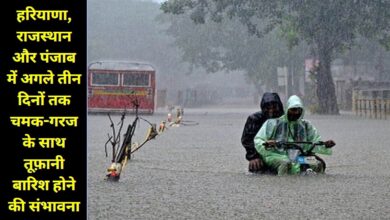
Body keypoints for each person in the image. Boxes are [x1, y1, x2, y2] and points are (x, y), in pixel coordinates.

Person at [254, 95, 336, 175]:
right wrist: (266, 144)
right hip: (277, 155)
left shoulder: (306, 125)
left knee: (318, 164)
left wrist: (325, 145)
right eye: (293, 110)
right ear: (287, 109)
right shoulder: (272, 123)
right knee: (285, 164)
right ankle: (283, 187)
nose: (296, 112)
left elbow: (315, 141)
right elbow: (258, 139)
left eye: (298, 110)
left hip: (300, 158)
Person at [241, 92, 284, 173]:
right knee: (256, 166)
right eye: (268, 108)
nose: (271, 110)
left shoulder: (286, 119)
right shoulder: (254, 119)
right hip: (260, 155)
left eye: (274, 107)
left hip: (284, 153)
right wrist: (253, 156)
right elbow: (247, 140)